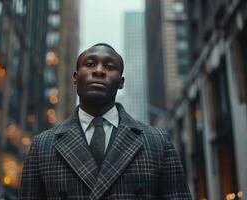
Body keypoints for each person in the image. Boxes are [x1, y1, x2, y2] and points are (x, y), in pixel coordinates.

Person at [19, 43, 192, 199]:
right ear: (75, 77)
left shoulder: (158, 142)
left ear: (121, 82)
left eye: (109, 66)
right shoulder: (42, 146)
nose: (99, 71)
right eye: (90, 64)